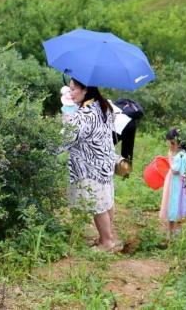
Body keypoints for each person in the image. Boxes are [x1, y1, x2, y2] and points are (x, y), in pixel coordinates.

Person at [65, 78, 119, 252]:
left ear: (85, 90)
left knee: (97, 204)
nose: (70, 93)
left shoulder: (87, 113)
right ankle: (108, 237)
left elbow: (70, 136)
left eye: (73, 89)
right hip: (105, 160)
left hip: (91, 165)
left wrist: (67, 117)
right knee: (106, 201)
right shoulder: (103, 105)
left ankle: (107, 242)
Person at [159, 128, 186, 238]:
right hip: (184, 184)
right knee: (180, 205)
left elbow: (175, 170)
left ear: (176, 143)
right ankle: (176, 230)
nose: (169, 146)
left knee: (172, 205)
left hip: (175, 183)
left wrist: (170, 158)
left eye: (171, 143)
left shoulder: (179, 155)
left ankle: (171, 232)